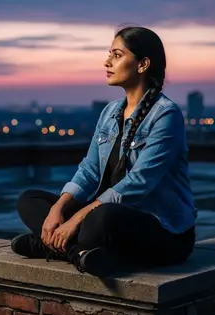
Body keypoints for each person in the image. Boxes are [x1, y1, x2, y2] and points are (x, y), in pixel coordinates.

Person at [10, 26, 197, 276]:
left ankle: (53, 245)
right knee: (29, 200)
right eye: (109, 54)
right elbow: (89, 170)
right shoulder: (110, 112)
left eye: (117, 55)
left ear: (143, 64)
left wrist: (75, 219)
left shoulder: (165, 115)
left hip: (162, 231)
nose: (107, 61)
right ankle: (78, 253)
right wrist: (58, 209)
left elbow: (138, 183)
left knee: (100, 220)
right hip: (106, 216)